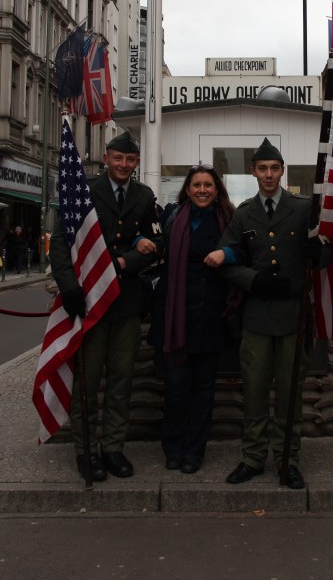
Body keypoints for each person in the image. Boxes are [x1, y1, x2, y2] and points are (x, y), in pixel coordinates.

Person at [49, 130, 164, 482]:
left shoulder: (144, 196)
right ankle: (85, 449)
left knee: (121, 380)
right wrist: (70, 290)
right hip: (89, 301)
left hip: (126, 300)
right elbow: (61, 244)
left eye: (130, 160)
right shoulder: (84, 191)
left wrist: (126, 261)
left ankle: (113, 448)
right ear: (106, 158)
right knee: (87, 381)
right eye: (118, 158)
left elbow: (157, 242)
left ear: (137, 162)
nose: (123, 165)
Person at [219, 137, 330, 490]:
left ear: (283, 171)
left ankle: (287, 459)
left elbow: (328, 255)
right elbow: (226, 260)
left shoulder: (304, 209)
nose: (268, 174)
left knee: (290, 393)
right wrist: (255, 281)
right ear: (253, 172)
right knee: (254, 391)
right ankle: (252, 458)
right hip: (256, 317)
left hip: (294, 315)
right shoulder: (243, 213)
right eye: (262, 169)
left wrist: (319, 252)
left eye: (274, 168)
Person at [147, 165, 238, 474]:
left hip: (211, 315)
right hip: (175, 317)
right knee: (175, 387)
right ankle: (173, 447)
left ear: (216, 189)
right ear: (187, 189)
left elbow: (245, 250)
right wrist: (137, 243)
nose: (202, 190)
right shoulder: (172, 218)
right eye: (196, 185)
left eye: (208, 185)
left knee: (204, 389)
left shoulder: (229, 219)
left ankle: (194, 451)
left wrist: (228, 255)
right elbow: (153, 244)